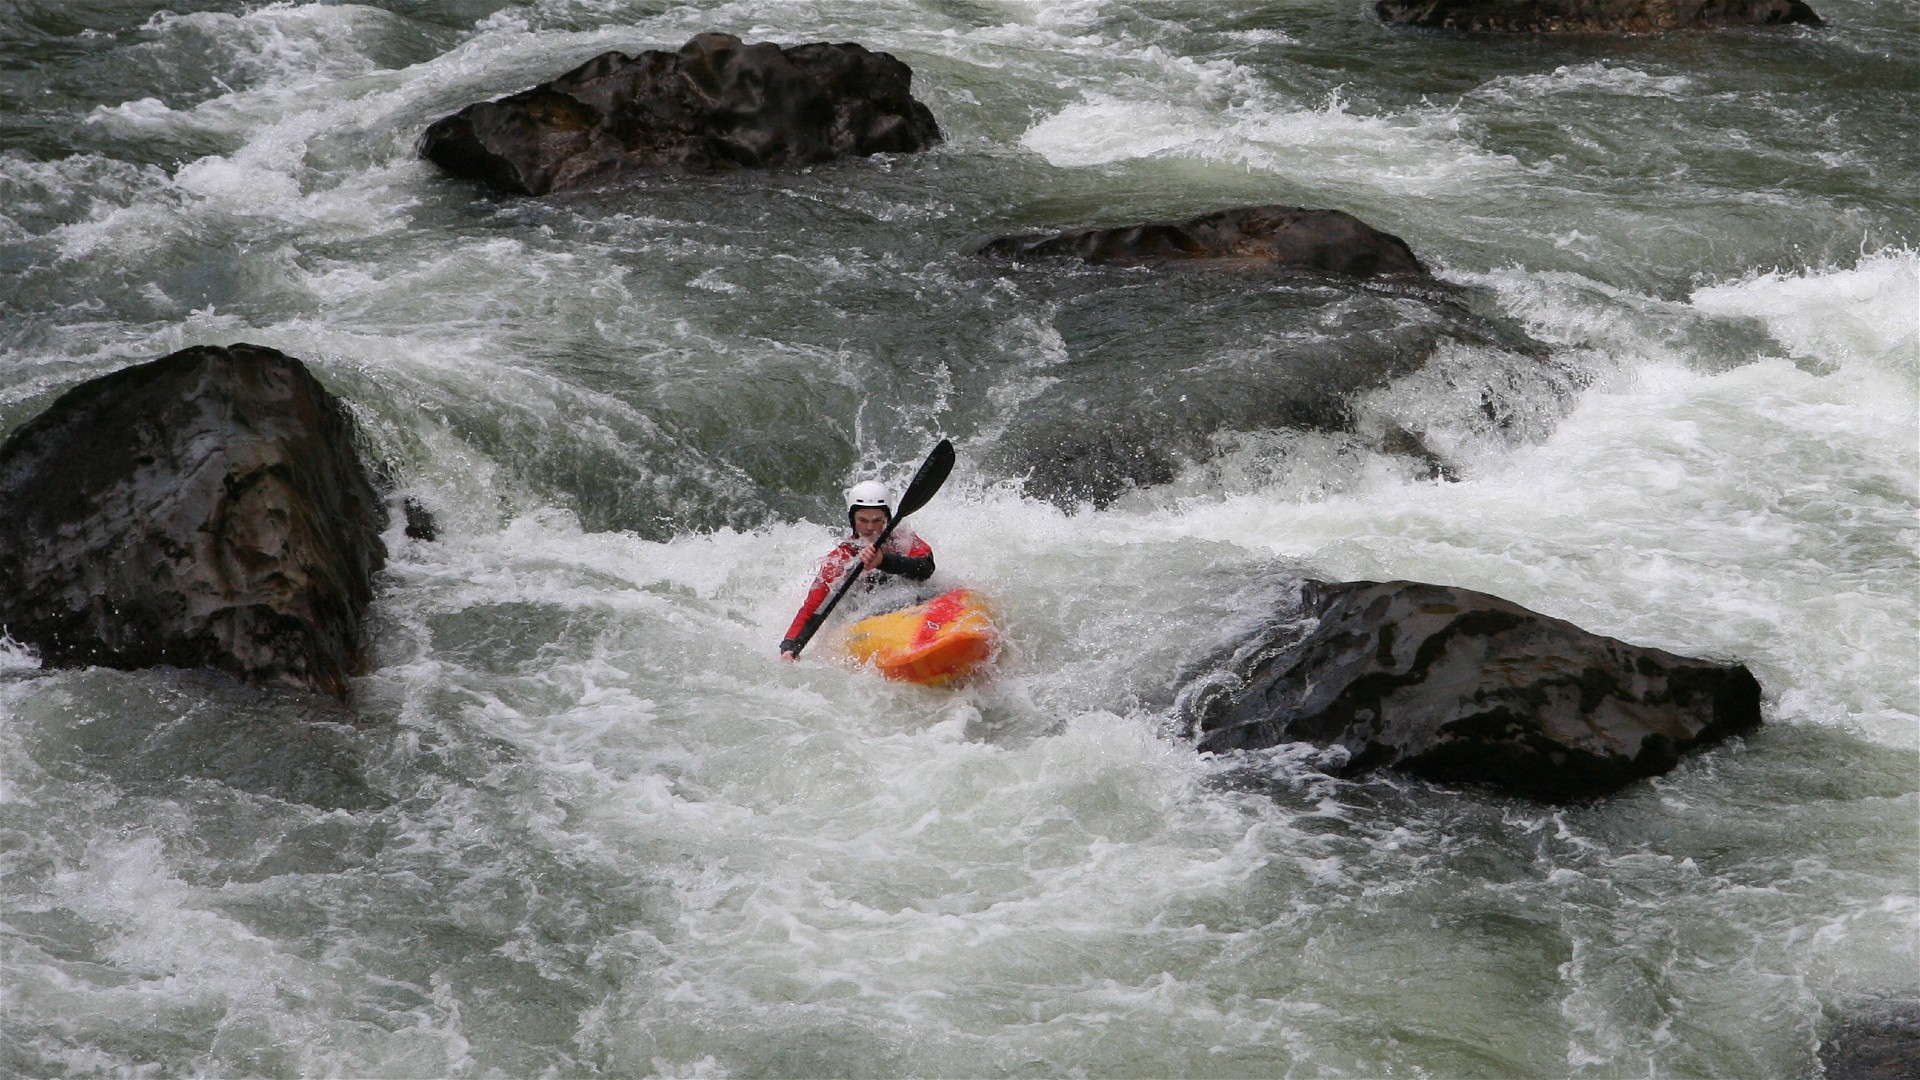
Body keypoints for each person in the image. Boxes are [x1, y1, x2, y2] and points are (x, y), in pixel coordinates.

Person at [780, 480, 934, 660]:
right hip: (868, 619)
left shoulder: (903, 539)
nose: (870, 527)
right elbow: (812, 609)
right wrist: (790, 645)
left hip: (909, 607)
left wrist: (884, 561)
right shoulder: (841, 559)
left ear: (887, 519)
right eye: (863, 520)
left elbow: (926, 568)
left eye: (877, 520)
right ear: (853, 520)